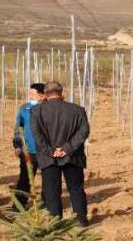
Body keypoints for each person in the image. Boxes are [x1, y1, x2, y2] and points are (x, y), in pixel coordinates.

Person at [30, 80, 90, 225]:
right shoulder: (77, 110)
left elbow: (36, 135)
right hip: (73, 156)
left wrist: (51, 150)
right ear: (61, 92)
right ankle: (81, 220)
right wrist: (67, 148)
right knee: (76, 188)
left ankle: (55, 223)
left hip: (48, 157)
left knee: (51, 191)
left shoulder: (37, 111)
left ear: (45, 94)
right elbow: (84, 132)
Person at [12, 83, 45, 206]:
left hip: (44, 152)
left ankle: (46, 205)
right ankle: (18, 206)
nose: (30, 96)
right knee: (24, 179)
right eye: (29, 93)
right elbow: (18, 129)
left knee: (48, 181)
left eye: (32, 94)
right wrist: (17, 145)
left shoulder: (48, 109)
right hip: (28, 151)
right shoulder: (24, 109)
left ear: (42, 96)